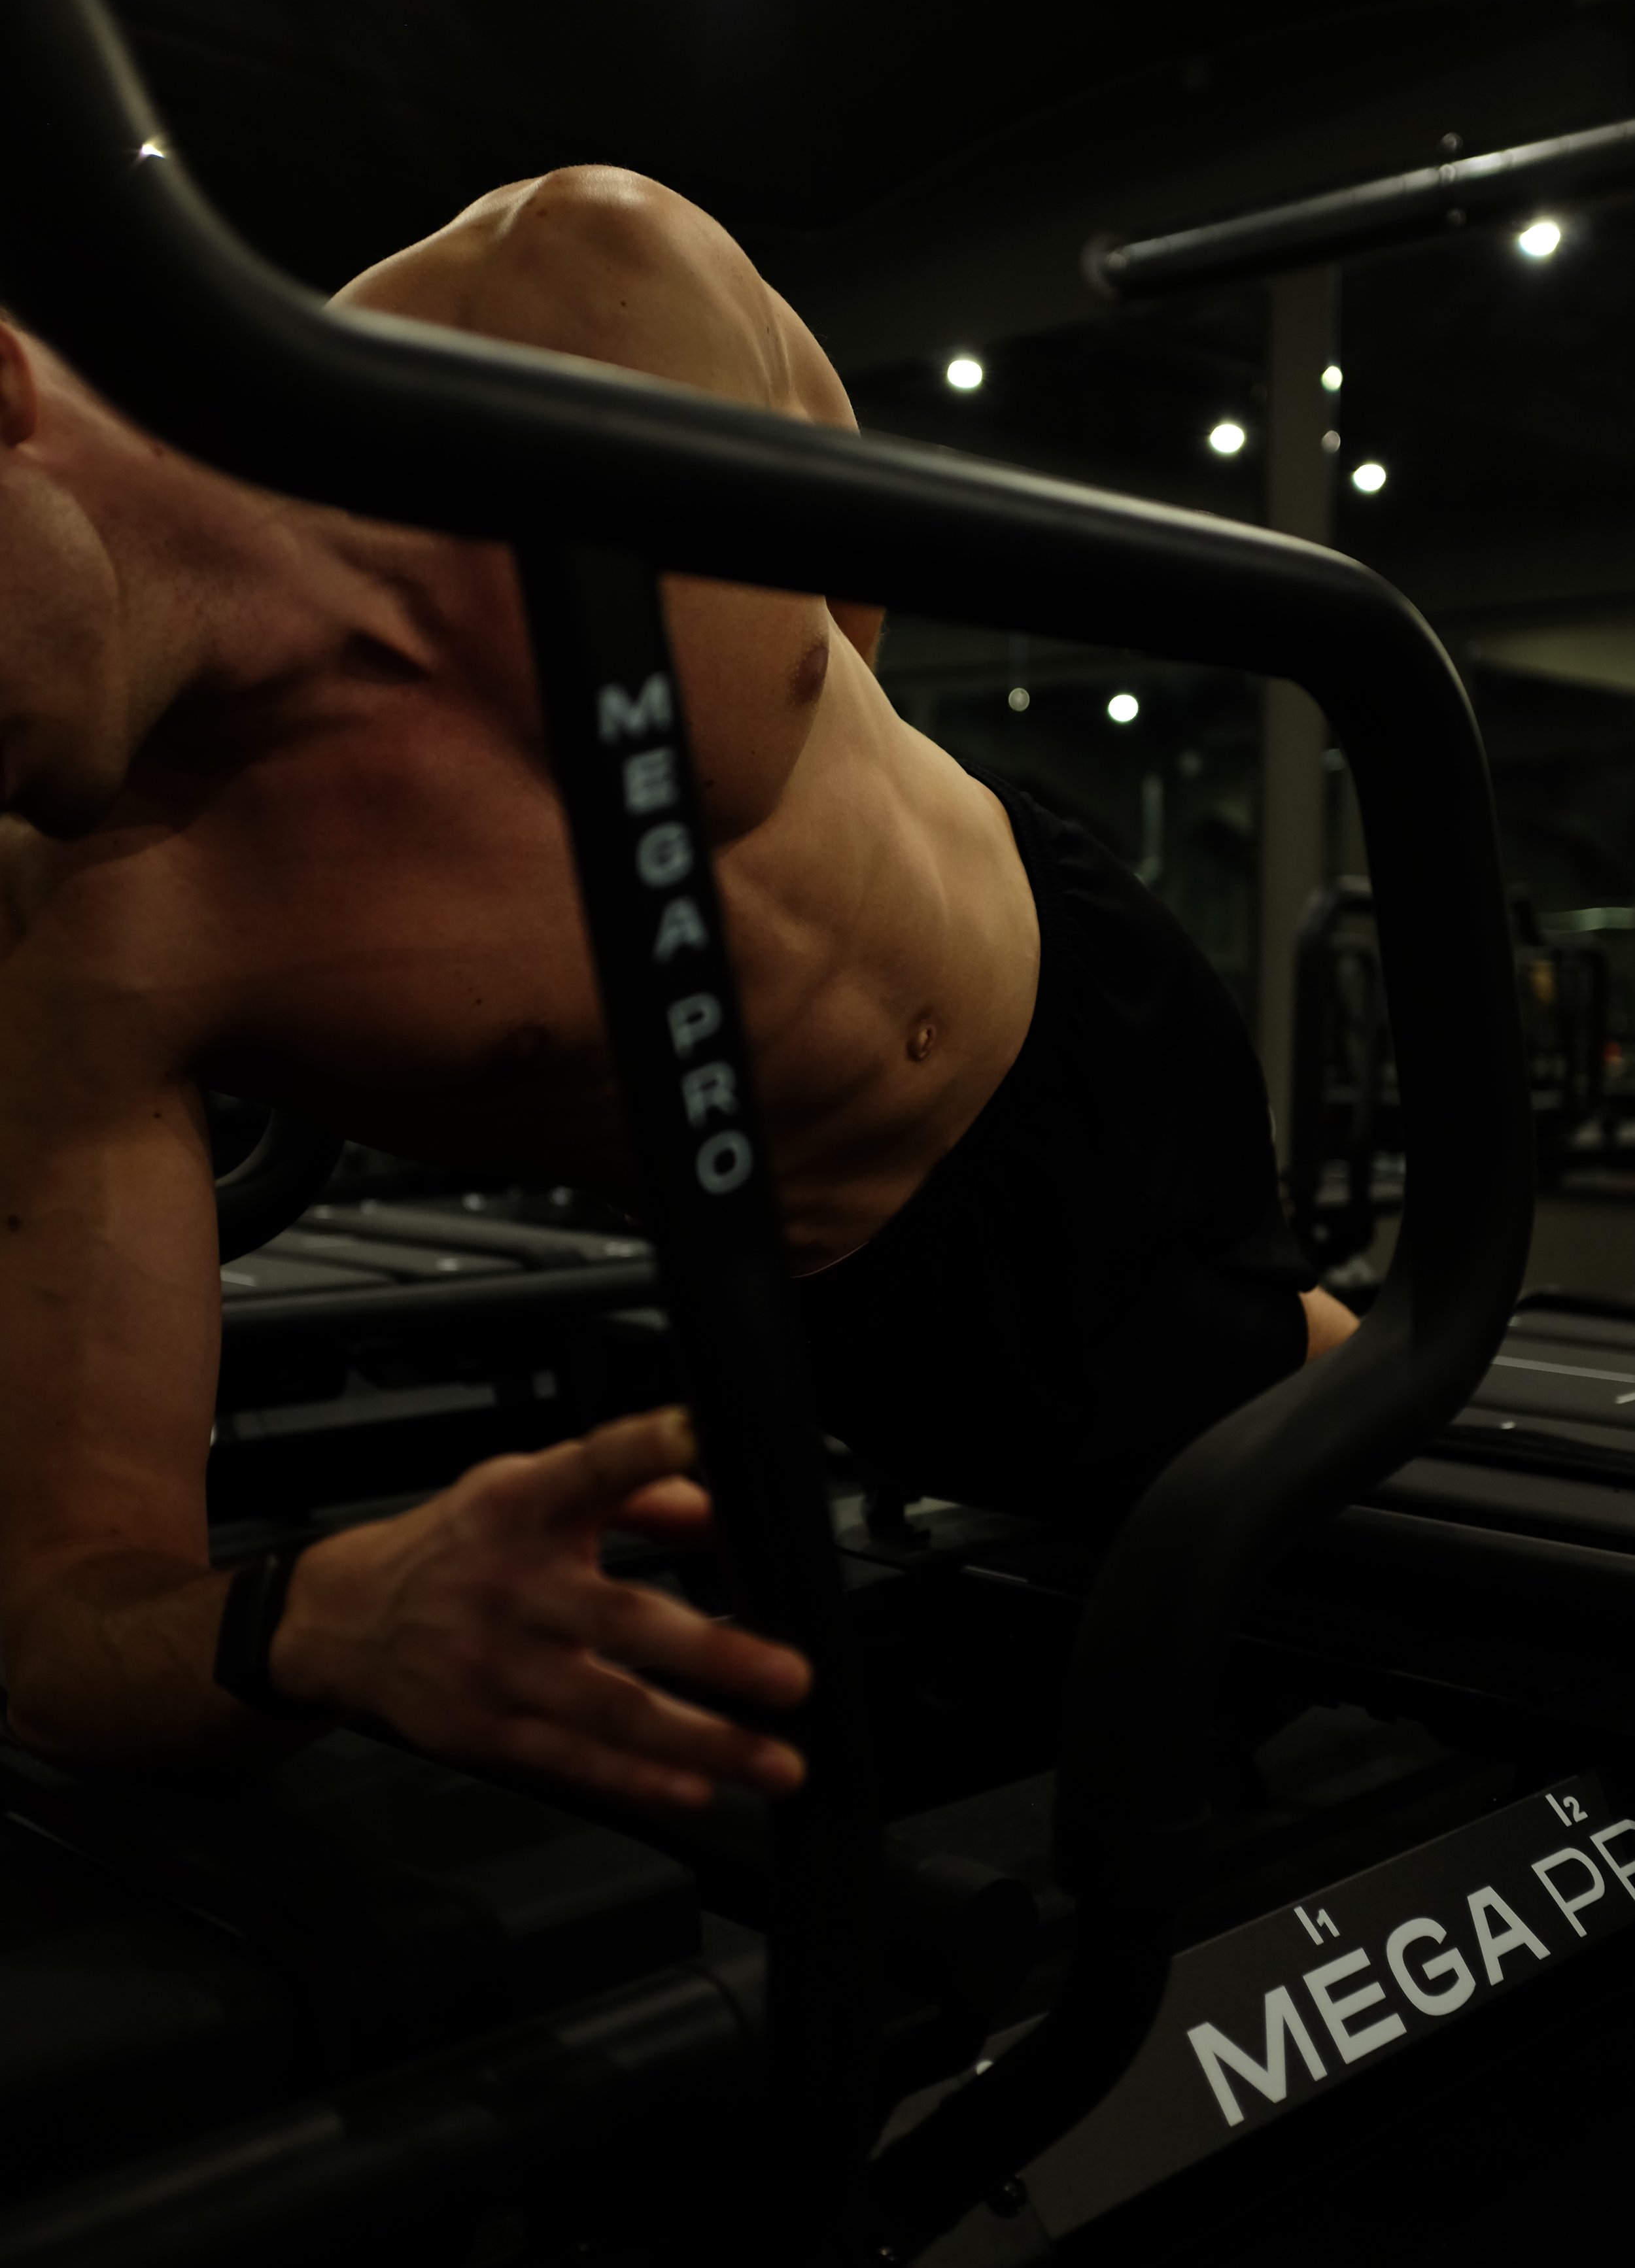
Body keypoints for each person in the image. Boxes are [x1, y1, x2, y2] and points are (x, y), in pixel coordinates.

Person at [0, 165, 1356, 1802]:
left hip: (1088, 950)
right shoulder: (81, 950)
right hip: (910, 1277)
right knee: (1344, 1470)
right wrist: (310, 1622)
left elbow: (836, 611)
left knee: (1333, 1427)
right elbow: (62, 1629)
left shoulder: (585, 289)